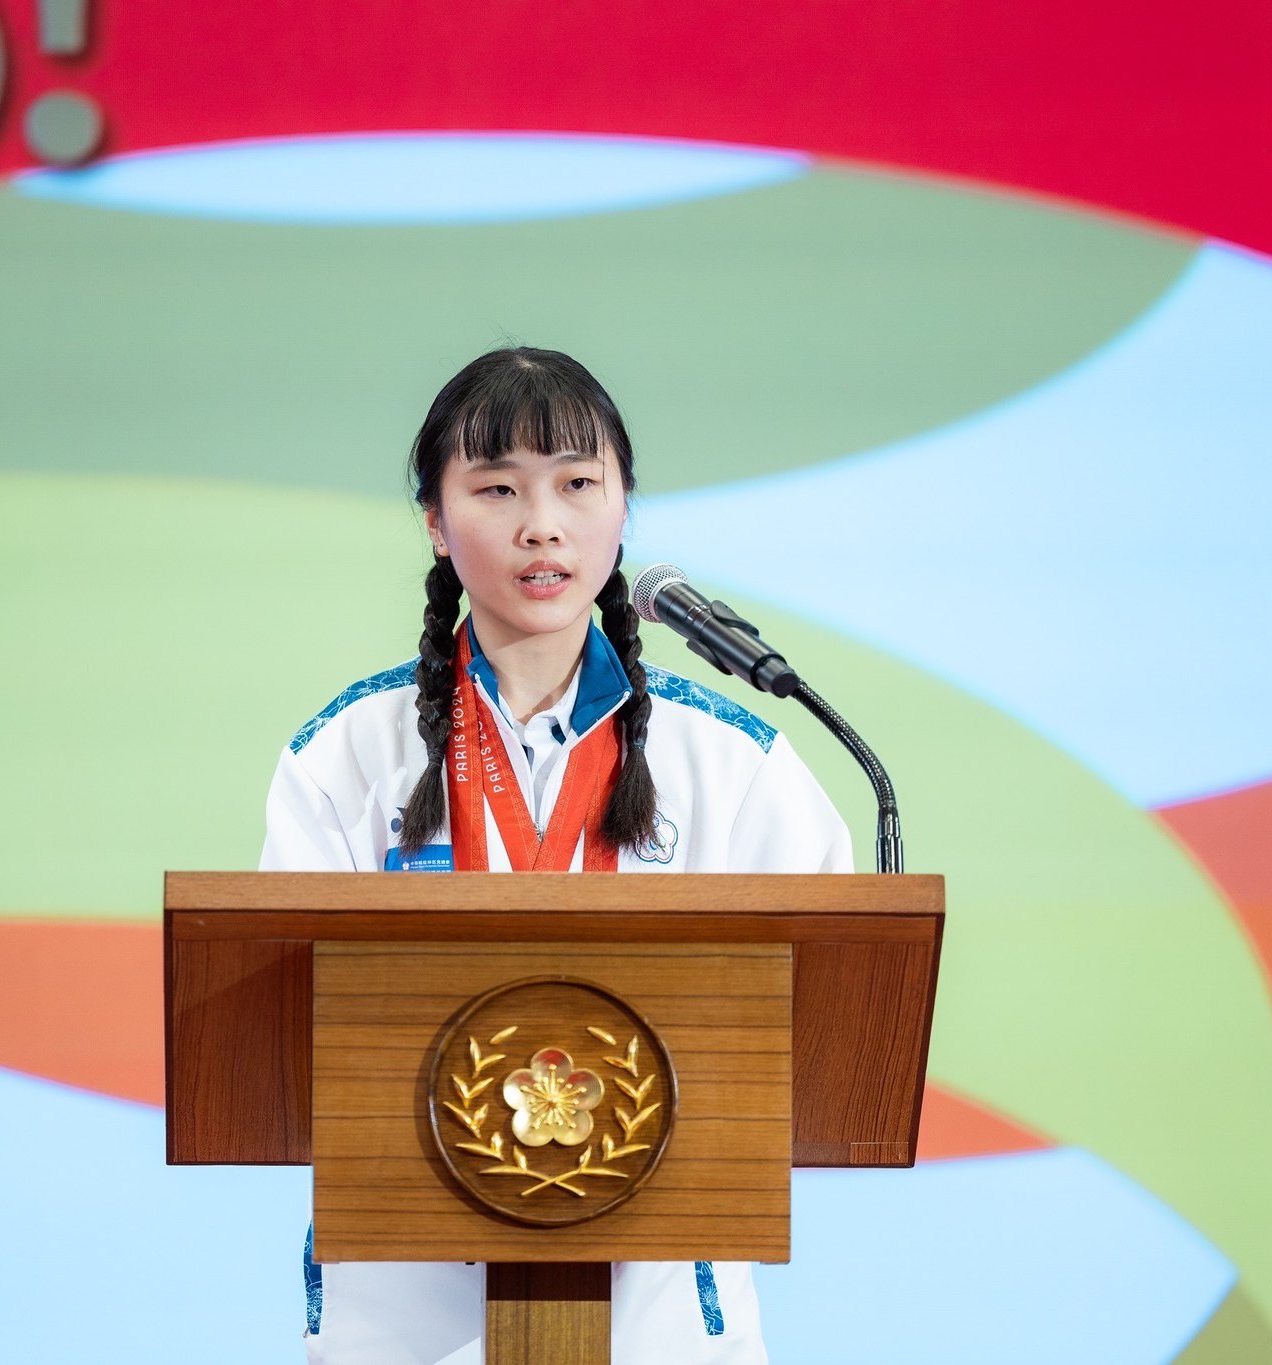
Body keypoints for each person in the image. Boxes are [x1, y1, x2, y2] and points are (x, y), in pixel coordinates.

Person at [259, 345, 853, 1365]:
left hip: (659, 1322)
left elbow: (833, 1014)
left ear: (622, 509)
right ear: (435, 523)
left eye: (578, 483)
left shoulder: (733, 760)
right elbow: (282, 1028)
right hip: (412, 1321)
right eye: (497, 489)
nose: (542, 524)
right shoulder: (346, 754)